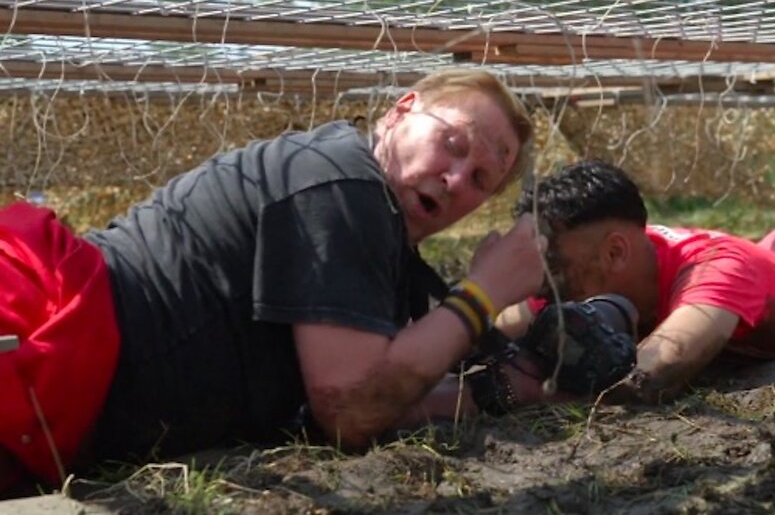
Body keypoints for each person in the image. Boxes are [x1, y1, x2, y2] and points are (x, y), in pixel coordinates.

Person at [0, 69, 550, 494]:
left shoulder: (380, 236)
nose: (455, 180)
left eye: (481, 178)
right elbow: (351, 408)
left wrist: (500, 385)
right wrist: (482, 293)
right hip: (38, 334)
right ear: (400, 112)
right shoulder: (344, 181)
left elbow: (376, 389)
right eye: (453, 142)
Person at [506, 159, 775, 405]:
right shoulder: (592, 263)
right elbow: (495, 323)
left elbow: (653, 373)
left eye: (551, 264)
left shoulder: (716, 272)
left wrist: (517, 390)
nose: (541, 281)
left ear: (616, 253)